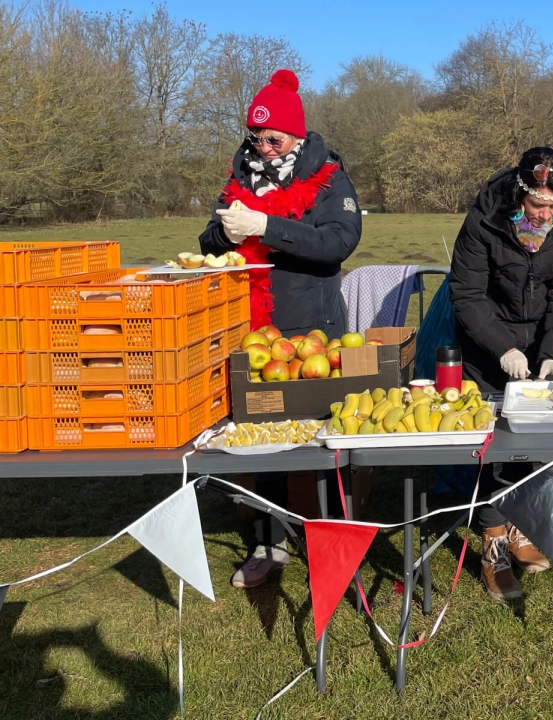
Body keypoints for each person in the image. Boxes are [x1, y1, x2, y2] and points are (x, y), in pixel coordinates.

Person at [199, 69, 362, 589]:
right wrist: (224, 233)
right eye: (257, 137)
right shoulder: (240, 178)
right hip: (254, 331)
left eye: (274, 138)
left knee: (327, 439)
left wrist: (268, 227)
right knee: (258, 440)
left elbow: (338, 241)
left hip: (314, 331)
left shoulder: (329, 176)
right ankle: (268, 542)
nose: (264, 148)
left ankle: (336, 538)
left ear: (296, 136)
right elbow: (208, 240)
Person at [448, 147, 553, 600]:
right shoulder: (483, 221)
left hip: (537, 340)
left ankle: (521, 526)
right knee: (495, 443)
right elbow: (466, 294)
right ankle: (493, 543)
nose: (546, 214)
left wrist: (551, 353)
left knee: (533, 441)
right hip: (487, 342)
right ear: (519, 197)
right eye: (537, 206)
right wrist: (501, 347)